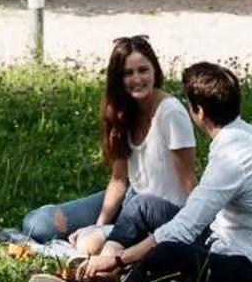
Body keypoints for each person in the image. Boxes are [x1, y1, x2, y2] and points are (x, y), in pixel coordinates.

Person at [29, 62, 252, 282]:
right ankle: (101, 268)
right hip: (225, 240)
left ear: (199, 112)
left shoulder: (232, 157)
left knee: (167, 253)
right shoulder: (247, 136)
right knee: (144, 204)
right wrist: (114, 254)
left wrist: (121, 258)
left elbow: (184, 229)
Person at [18, 35, 195, 255]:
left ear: (155, 71)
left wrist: (194, 232)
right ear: (118, 79)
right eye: (128, 73)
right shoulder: (123, 111)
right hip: (129, 199)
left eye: (143, 70)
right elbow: (119, 180)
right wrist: (99, 224)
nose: (137, 79)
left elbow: (189, 182)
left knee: (89, 244)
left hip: (158, 215)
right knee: (38, 225)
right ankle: (93, 229)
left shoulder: (171, 113)